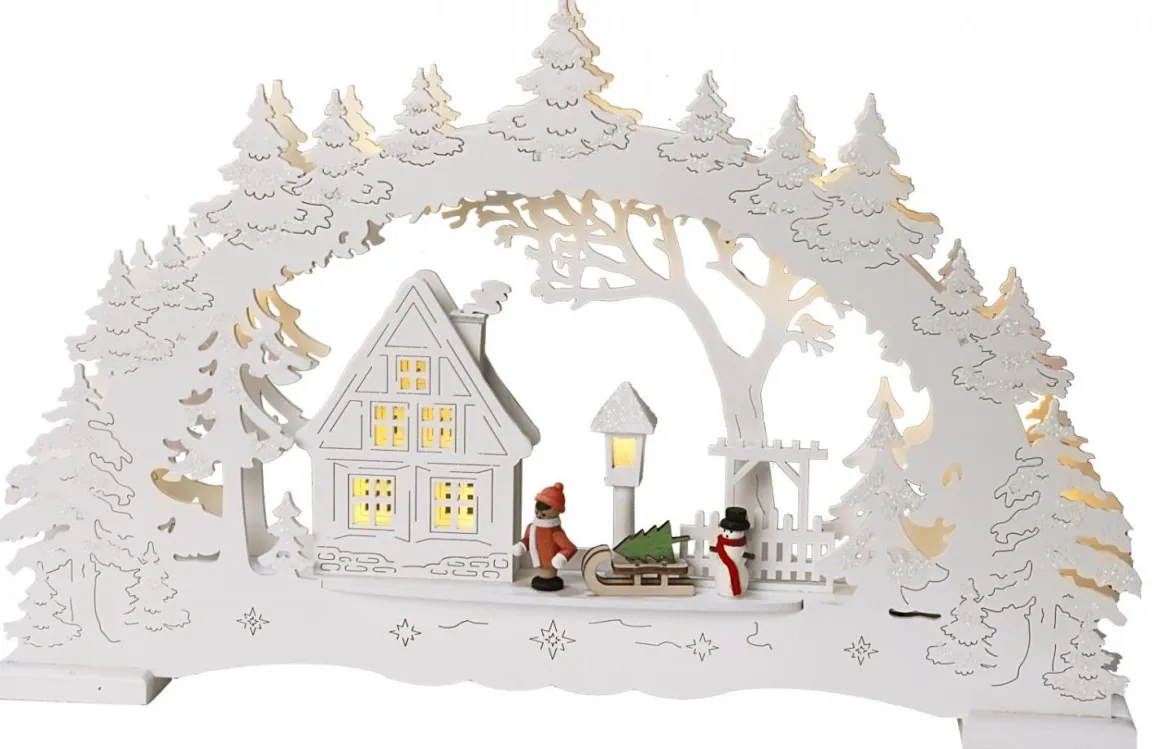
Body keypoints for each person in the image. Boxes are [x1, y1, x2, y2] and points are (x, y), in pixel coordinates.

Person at [512, 482, 577, 592]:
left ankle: (549, 576)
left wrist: (561, 557)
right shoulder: (532, 527)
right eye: (538, 508)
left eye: (544, 509)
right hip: (539, 563)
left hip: (550, 564)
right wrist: (521, 546)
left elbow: (570, 548)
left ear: (557, 510)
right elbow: (527, 539)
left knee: (548, 570)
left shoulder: (555, 533)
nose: (539, 512)